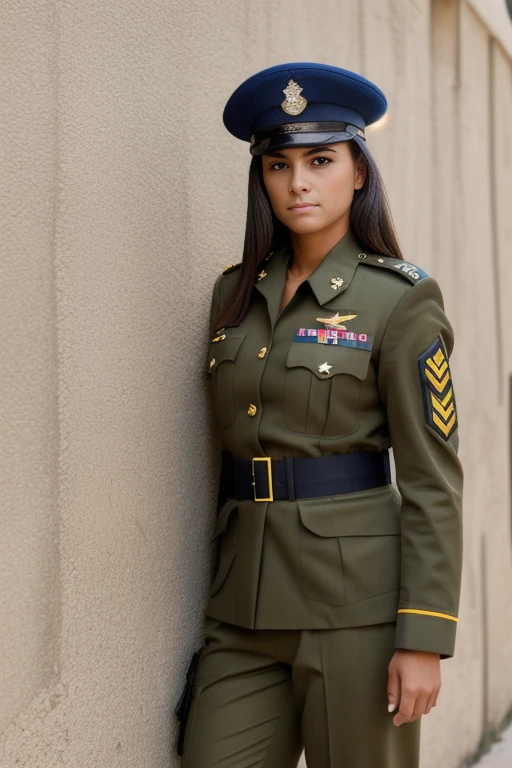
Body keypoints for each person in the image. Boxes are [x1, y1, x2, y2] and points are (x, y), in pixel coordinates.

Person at [174, 61, 464, 768]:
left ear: (358, 172)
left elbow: (433, 480)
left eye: (321, 160)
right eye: (279, 165)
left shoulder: (400, 300)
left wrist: (422, 635)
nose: (298, 183)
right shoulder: (234, 296)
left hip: (355, 613)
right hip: (242, 608)